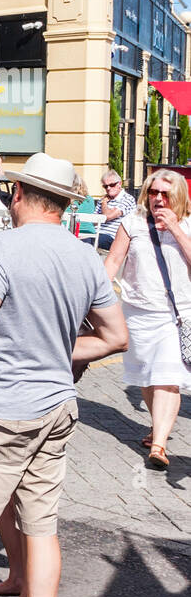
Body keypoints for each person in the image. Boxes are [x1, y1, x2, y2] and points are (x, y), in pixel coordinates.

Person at [0, 152, 127, 597]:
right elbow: (115, 337)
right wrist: (54, 350)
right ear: (65, 204)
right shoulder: (85, 255)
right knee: (42, 526)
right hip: (57, 406)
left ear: (19, 194)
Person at [103, 169, 191, 470]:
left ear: (178, 195)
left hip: (174, 314)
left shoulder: (189, 224)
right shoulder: (133, 223)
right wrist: (96, 297)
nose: (158, 198)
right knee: (147, 378)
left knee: (167, 378)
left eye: (165, 194)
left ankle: (159, 445)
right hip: (136, 312)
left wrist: (176, 230)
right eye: (153, 192)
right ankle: (158, 427)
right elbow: (114, 260)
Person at [98, 169, 136, 250]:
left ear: (119, 184)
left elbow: (107, 216)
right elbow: (94, 220)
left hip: (114, 238)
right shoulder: (102, 199)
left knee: (87, 242)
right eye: (105, 186)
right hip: (98, 234)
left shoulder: (127, 199)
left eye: (111, 185)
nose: (108, 188)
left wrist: (104, 203)